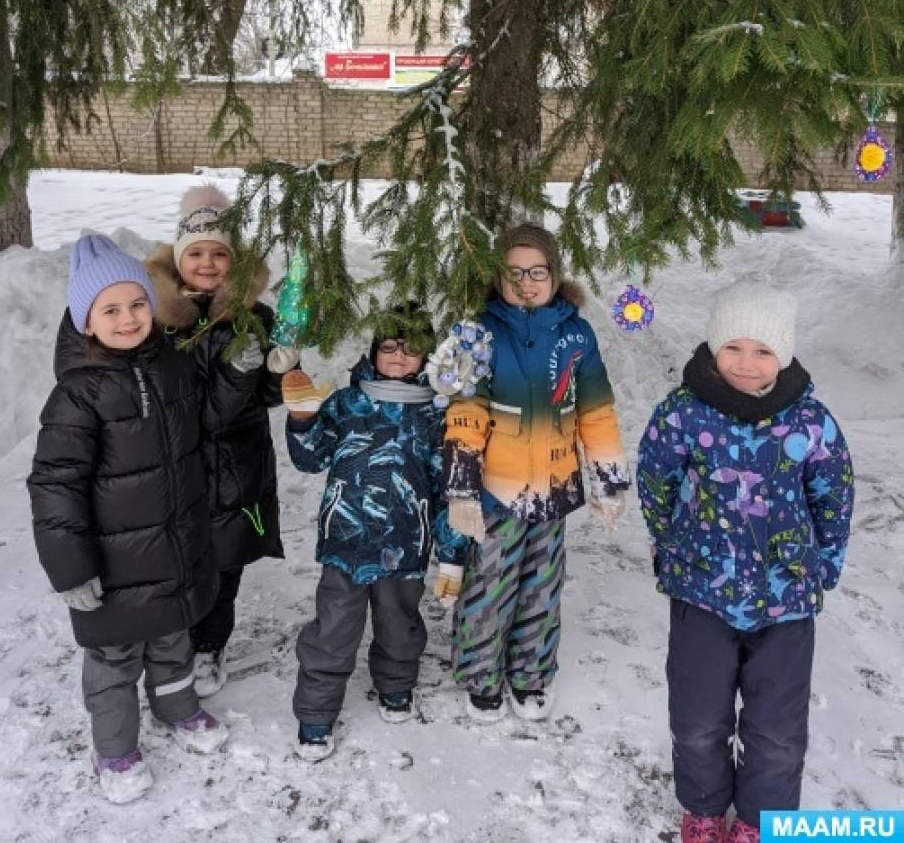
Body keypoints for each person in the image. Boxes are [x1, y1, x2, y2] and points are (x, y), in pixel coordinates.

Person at [636, 277, 855, 843]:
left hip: (785, 601)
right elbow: (655, 480)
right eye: (733, 346)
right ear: (713, 347)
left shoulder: (810, 422)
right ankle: (705, 809)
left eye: (762, 350)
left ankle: (761, 819)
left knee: (777, 728)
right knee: (699, 718)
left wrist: (823, 565)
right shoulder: (682, 413)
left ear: (782, 354)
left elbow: (834, 496)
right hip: (701, 595)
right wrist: (674, 545)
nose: (747, 362)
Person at [28, 235, 227, 805]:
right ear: (86, 322)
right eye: (109, 309)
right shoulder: (77, 395)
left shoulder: (171, 366)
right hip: (111, 566)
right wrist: (70, 569)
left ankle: (178, 708)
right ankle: (115, 749)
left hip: (172, 548)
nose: (128, 318)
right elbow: (55, 484)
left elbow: (200, 430)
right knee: (114, 660)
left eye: (137, 303)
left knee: (171, 641)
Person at [442, 223, 630, 723]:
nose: (526, 283)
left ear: (554, 275)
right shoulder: (478, 331)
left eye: (538, 272)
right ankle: (482, 677)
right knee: (490, 587)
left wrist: (609, 478)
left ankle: (530, 676)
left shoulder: (576, 334)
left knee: (542, 589)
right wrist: (461, 489)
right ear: (497, 277)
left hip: (553, 488)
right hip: (496, 493)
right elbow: (466, 412)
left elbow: (595, 411)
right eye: (514, 273)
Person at [283, 304, 467, 761]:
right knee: (334, 627)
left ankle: (396, 684)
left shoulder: (436, 414)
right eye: (389, 347)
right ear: (373, 351)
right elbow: (311, 459)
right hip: (346, 541)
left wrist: (452, 550)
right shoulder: (348, 402)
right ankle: (316, 712)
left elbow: (447, 489)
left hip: (405, 544)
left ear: (427, 356)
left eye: (411, 349)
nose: (399, 357)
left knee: (399, 623)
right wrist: (303, 421)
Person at [146, 185, 293, 698]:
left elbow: (272, 396)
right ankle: (171, 646)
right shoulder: (155, 321)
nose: (208, 264)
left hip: (237, 467)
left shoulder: (257, 317)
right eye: (196, 253)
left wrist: (282, 368)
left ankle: (209, 646)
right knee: (174, 564)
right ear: (179, 256)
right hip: (174, 468)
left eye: (219, 253)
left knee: (223, 570)